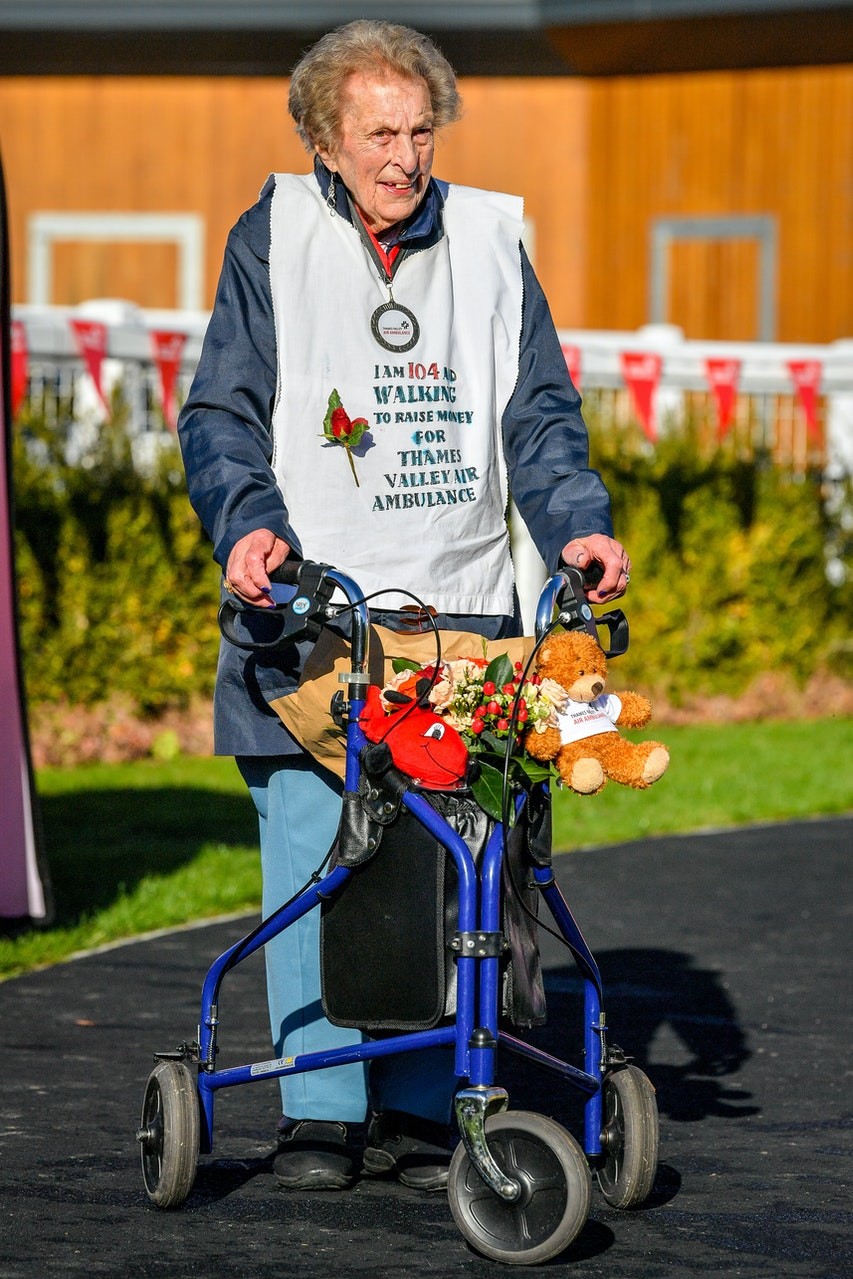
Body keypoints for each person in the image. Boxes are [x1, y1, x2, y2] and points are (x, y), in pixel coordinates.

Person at [178, 19, 631, 1195]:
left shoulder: (487, 240)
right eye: (378, 133)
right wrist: (245, 523)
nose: (404, 155)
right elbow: (221, 412)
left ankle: (429, 1098)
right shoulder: (271, 237)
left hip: (463, 614)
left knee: (453, 863)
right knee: (313, 859)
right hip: (309, 619)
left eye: (420, 130)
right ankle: (322, 1107)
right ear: (324, 143)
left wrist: (577, 524)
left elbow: (540, 418)